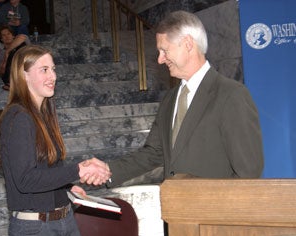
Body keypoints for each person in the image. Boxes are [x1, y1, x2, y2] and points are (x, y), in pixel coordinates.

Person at [80, 10, 264, 187]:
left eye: (164, 50)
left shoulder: (231, 95)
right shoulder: (170, 98)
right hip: (176, 214)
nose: (160, 59)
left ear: (188, 44)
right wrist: (109, 169)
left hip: (214, 215)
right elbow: (154, 153)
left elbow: (248, 172)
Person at [0, 44, 111, 236]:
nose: (53, 76)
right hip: (35, 231)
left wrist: (67, 190)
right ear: (24, 75)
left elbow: (46, 170)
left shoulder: (42, 115)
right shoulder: (18, 117)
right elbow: (25, 180)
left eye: (53, 69)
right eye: (44, 70)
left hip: (63, 222)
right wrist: (78, 170)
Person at [0, 25, 30, 91]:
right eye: (4, 35)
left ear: (13, 36)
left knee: (21, 47)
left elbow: (22, 37)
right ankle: (12, 82)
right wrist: (5, 60)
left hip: (23, 71)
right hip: (8, 75)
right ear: (1, 39)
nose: (7, 36)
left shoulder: (20, 43)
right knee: (13, 53)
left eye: (8, 34)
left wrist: (8, 51)